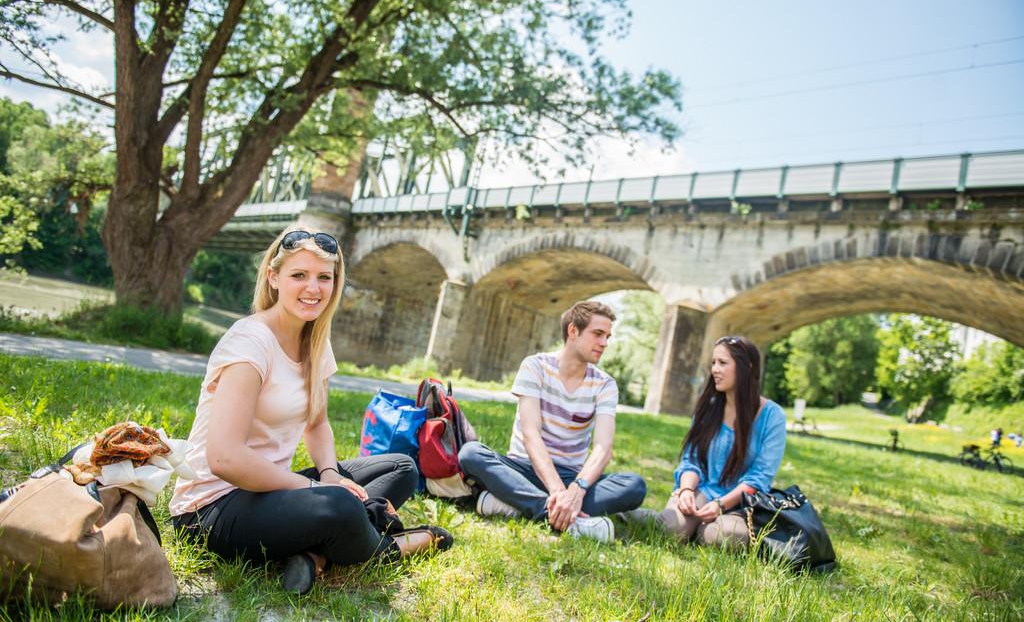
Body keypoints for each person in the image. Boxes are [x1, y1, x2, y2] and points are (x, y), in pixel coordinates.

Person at [170, 226, 451, 595]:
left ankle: (311, 552)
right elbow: (224, 459)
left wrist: (331, 474)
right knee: (339, 506)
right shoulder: (249, 344)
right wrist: (315, 487)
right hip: (212, 508)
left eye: (324, 277)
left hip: (268, 489)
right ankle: (389, 549)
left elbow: (317, 423)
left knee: (400, 467)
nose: (313, 288)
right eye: (299, 276)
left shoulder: (315, 340)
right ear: (273, 277)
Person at [458, 301, 646, 543]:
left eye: (608, 336)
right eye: (598, 334)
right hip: (523, 469)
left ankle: (513, 505)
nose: (605, 343)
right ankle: (567, 519)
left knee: (634, 486)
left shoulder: (605, 385)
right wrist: (558, 493)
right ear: (573, 331)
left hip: (571, 476)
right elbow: (530, 434)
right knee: (471, 453)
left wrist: (576, 490)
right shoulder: (535, 366)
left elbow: (603, 447)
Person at [660, 335, 786, 549]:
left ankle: (701, 530)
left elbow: (760, 477)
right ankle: (625, 517)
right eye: (713, 363)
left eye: (723, 363)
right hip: (703, 490)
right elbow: (691, 460)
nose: (715, 369)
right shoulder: (707, 407)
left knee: (723, 536)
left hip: (740, 503)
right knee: (671, 529)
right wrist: (686, 490)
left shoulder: (772, 415)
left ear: (747, 367)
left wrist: (720, 505)